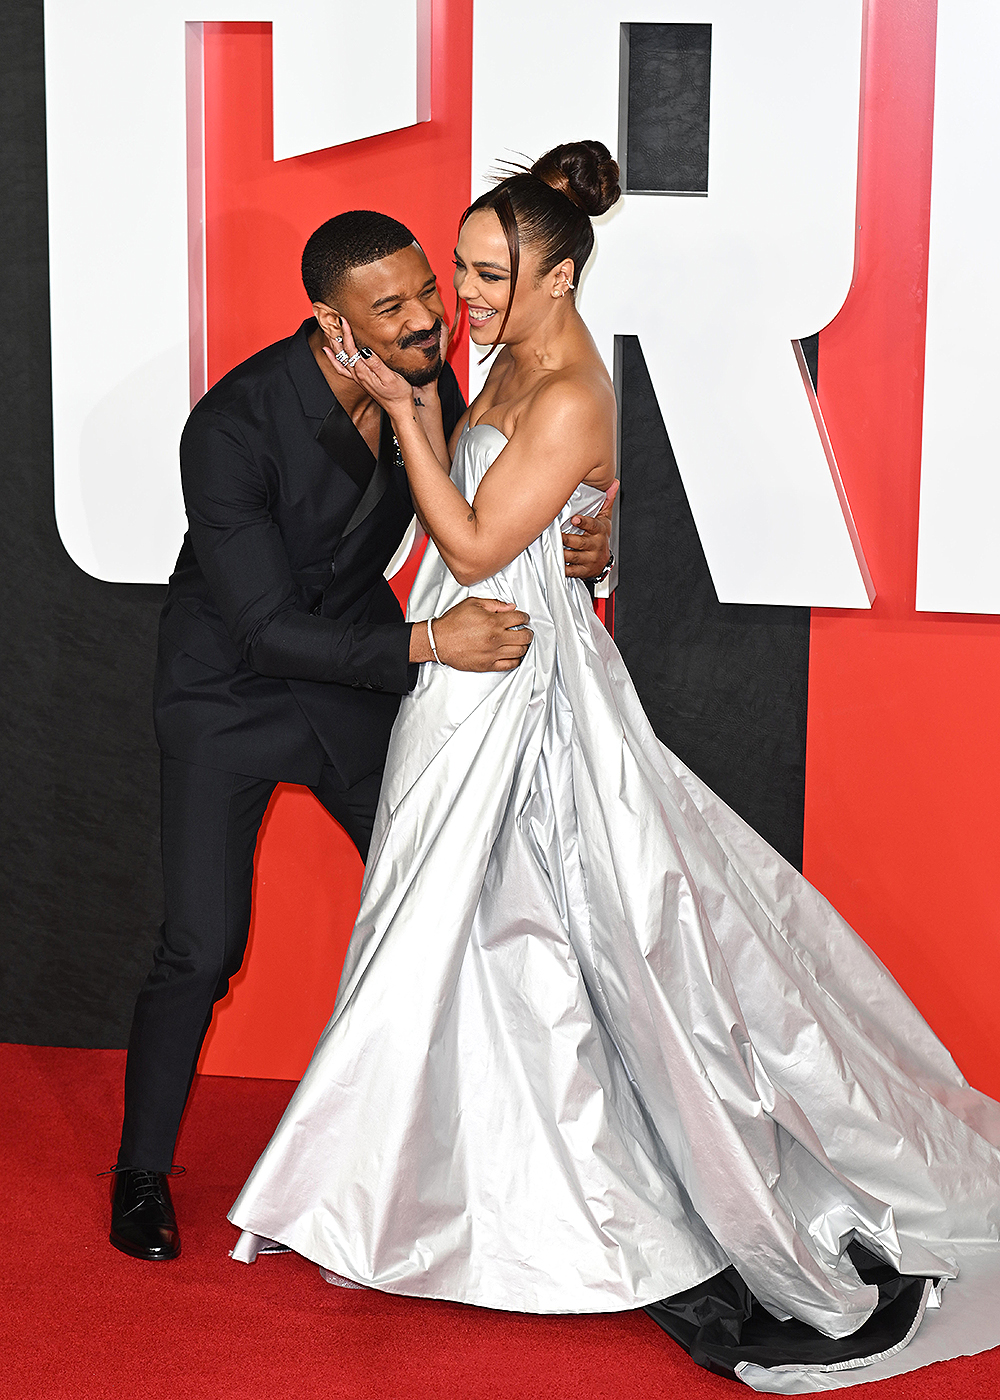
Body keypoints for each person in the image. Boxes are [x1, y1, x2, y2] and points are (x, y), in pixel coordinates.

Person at [228, 143, 1000, 1386]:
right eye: (461, 270)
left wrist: (423, 420)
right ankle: (458, 1196)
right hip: (477, 673)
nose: (458, 300)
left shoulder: (570, 383)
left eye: (486, 276)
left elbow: (476, 541)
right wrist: (577, 527)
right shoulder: (516, 360)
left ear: (559, 277)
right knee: (481, 939)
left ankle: (621, 1217)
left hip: (512, 684)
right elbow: (547, 523)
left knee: (535, 934)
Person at [109, 209, 614, 1263]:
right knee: (203, 945)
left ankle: (466, 1149)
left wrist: (583, 539)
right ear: (331, 323)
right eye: (392, 308)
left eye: (428, 288)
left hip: (356, 687)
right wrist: (430, 640)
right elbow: (259, 623)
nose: (430, 317)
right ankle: (141, 1171)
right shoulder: (232, 426)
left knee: (450, 893)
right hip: (229, 695)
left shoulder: (427, 375)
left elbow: (480, 502)